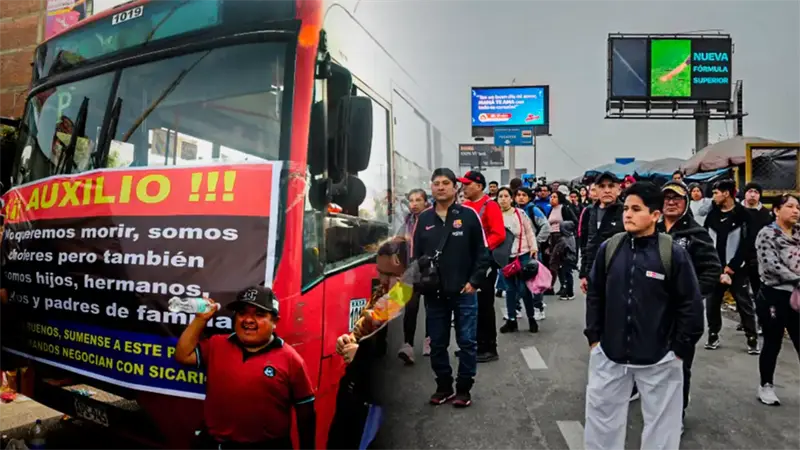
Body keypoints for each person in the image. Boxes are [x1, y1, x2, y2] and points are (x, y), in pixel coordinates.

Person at [584, 182, 704, 450]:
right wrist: (594, 338)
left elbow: (690, 304)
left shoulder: (671, 253)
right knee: (601, 421)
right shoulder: (610, 249)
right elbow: (595, 295)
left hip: (659, 358)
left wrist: (679, 348)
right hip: (610, 355)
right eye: (626, 208)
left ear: (655, 215)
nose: (627, 214)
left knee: (662, 428)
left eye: (636, 209)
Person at [175, 286, 316, 450]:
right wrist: (200, 320)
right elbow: (182, 355)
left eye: (259, 314)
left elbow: (306, 414)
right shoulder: (217, 344)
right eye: (242, 313)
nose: (248, 320)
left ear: (275, 321)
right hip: (214, 444)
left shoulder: (291, 359)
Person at [629, 181, 722, 415]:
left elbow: (712, 270)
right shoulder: (649, 230)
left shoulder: (695, 234)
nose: (671, 202)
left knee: (679, 364)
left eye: (677, 198)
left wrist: (691, 295)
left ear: (686, 202)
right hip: (649, 311)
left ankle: (676, 412)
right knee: (648, 359)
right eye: (667, 198)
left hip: (682, 314)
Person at [412, 168, 489, 407]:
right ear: (431, 188)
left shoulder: (468, 215)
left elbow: (482, 253)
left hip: (464, 292)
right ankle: (443, 386)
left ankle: (464, 389)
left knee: (467, 342)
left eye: (446, 183)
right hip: (434, 294)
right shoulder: (424, 219)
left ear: (455, 188)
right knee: (437, 342)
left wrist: (474, 282)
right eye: (436, 183)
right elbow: (416, 257)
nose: (441, 187)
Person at [331, 238, 408, 449]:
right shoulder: (384, 293)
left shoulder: (408, 298)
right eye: (380, 272)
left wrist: (361, 353)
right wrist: (349, 339)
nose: (382, 280)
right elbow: (364, 326)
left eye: (391, 275)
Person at [703, 179, 759, 354]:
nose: (714, 196)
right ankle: (713, 334)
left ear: (726, 193)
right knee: (712, 303)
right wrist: (715, 267)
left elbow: (748, 243)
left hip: (738, 269)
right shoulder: (712, 216)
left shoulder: (743, 215)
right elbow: (706, 241)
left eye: (716, 193)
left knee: (744, 302)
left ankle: (752, 337)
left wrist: (732, 267)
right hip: (715, 268)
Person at [754, 194, 800, 406]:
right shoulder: (767, 234)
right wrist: (797, 279)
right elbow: (771, 266)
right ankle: (766, 385)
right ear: (776, 210)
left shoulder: (799, 233)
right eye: (790, 206)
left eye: (798, 207)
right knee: (773, 342)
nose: (796, 210)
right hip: (774, 294)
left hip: (797, 296)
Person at [459, 171, 506, 363]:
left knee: (485, 305)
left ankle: (489, 347)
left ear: (479, 186)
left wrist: (482, 250)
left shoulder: (490, 205)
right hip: (467, 263)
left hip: (484, 264)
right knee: (469, 306)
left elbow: (499, 234)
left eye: (468, 184)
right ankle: (473, 344)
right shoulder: (464, 206)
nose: (464, 187)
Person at [495, 187, 539, 333]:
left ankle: (531, 318)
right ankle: (511, 320)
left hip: (523, 255)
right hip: (505, 258)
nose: (503, 199)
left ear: (511, 198)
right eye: (500, 196)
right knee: (510, 289)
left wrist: (534, 248)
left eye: (506, 196)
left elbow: (529, 232)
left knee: (524, 289)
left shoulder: (520, 214)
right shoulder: (494, 216)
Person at [397, 189, 431, 363]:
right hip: (411, 269)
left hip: (429, 268)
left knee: (432, 306)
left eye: (419, 200)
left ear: (426, 202)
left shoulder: (433, 218)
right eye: (411, 200)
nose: (414, 203)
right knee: (410, 308)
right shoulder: (407, 220)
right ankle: (408, 345)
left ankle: (429, 340)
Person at [580, 172, 625, 294]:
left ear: (619, 190)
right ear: (596, 190)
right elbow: (587, 243)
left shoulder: (625, 212)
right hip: (594, 272)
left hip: (619, 275)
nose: (606, 190)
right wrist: (584, 273)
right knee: (594, 310)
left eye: (611, 186)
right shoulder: (590, 211)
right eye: (602, 187)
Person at [514, 187, 550, 320]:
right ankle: (516, 308)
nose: (521, 197)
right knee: (516, 281)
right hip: (517, 251)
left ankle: (538, 307)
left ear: (529, 197)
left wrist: (537, 241)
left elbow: (546, 226)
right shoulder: (513, 210)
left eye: (524, 195)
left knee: (535, 282)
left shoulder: (532, 209)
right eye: (518, 195)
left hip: (532, 251)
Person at [741, 182, 773, 299]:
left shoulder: (766, 214)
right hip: (738, 257)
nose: (753, 195)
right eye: (750, 191)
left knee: (758, 289)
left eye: (756, 192)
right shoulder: (737, 210)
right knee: (741, 291)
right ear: (745, 194)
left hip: (758, 256)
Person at [547, 191, 578, 298]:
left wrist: (565, 229)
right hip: (552, 237)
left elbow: (574, 221)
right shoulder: (551, 209)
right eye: (551, 197)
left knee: (563, 263)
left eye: (554, 197)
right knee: (557, 264)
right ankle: (562, 286)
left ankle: (568, 288)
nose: (552, 199)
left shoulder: (564, 208)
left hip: (562, 237)